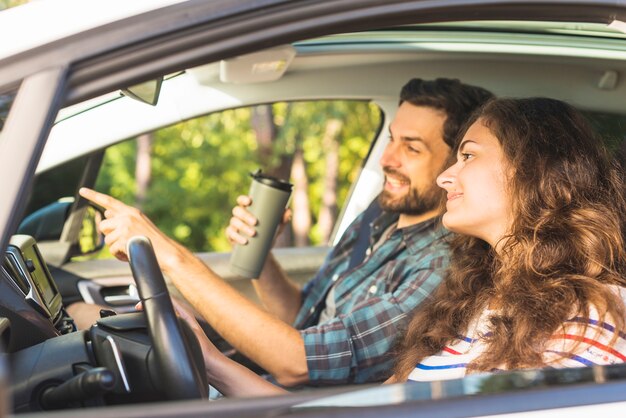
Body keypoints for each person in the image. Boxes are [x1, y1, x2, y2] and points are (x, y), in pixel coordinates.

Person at [170, 96, 626, 397]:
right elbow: (369, 405)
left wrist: (171, 257)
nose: (450, 175)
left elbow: (298, 361)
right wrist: (212, 365)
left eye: (467, 156)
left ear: (535, 171)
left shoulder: (588, 316)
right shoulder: (474, 300)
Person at [78, 78, 494, 386]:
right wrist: (261, 257)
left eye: (412, 147)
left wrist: (168, 254)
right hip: (261, 383)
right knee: (89, 324)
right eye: (390, 140)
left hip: (293, 402)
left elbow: (298, 361)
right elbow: (300, 319)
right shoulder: (381, 216)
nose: (387, 158)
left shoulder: (443, 264)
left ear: (453, 166)